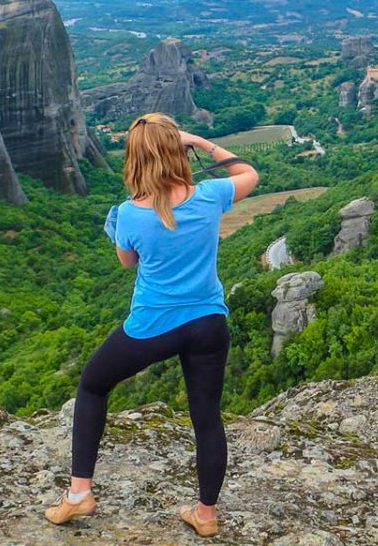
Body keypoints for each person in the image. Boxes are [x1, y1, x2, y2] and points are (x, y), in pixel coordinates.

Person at [44, 112, 259, 538]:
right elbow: (250, 172)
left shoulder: (130, 215)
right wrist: (201, 141)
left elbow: (129, 263)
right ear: (177, 151)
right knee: (207, 418)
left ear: (137, 159)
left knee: (92, 385)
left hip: (153, 325)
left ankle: (79, 494)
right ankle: (206, 515)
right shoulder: (212, 194)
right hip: (209, 322)